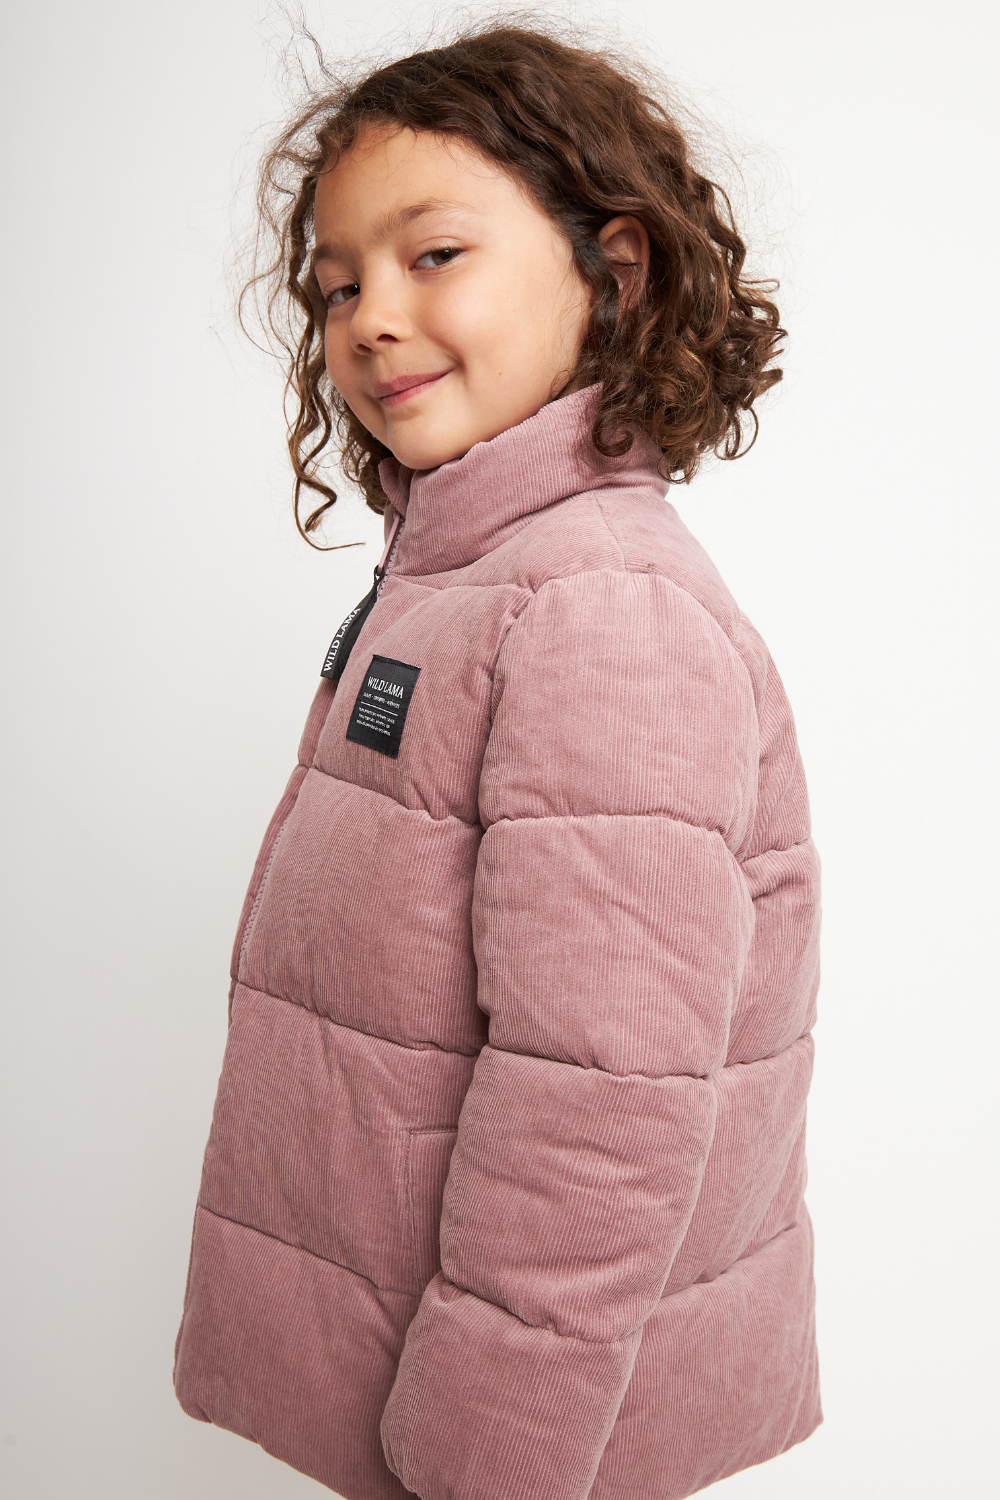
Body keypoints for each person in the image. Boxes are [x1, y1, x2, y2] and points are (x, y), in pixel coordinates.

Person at [173, 24, 822, 1500]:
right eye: (340, 284)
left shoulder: (600, 612)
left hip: (510, 1450)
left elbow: (600, 1100)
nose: (371, 319)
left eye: (434, 255)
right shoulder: (474, 574)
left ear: (617, 271)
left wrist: (486, 1465)